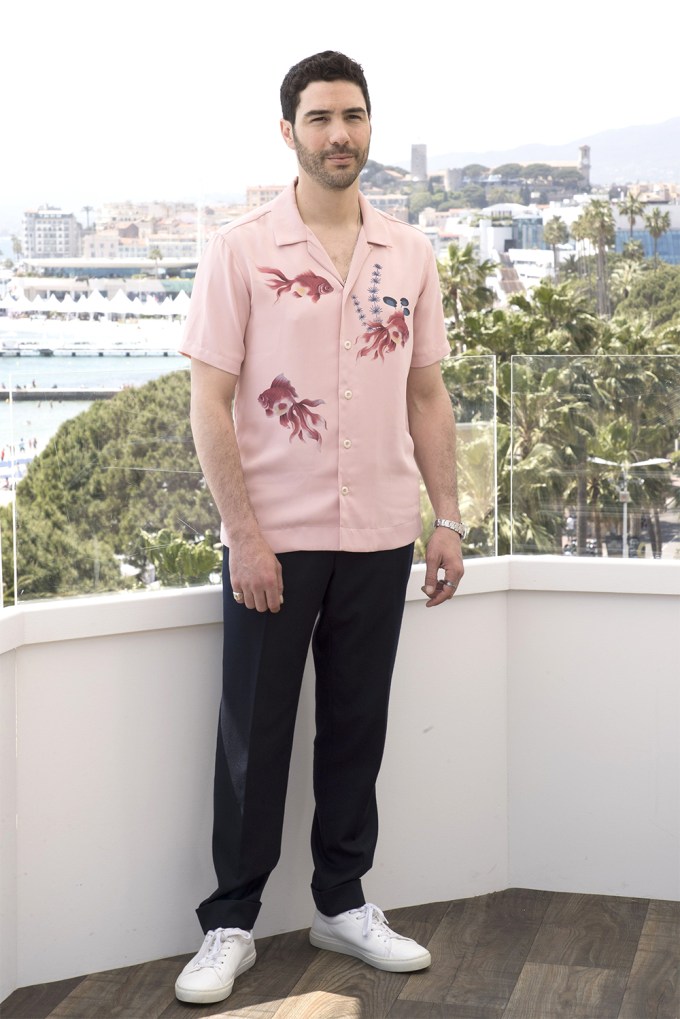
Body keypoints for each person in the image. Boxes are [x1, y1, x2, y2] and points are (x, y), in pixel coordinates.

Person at [175, 50, 466, 1006]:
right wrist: (244, 536)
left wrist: (447, 517)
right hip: (275, 539)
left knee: (355, 728)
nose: (339, 134)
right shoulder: (240, 250)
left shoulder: (410, 253)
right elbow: (209, 405)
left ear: (370, 125)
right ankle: (230, 922)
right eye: (320, 118)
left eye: (353, 116)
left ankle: (342, 902)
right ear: (289, 131)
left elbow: (426, 392)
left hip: (381, 532)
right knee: (251, 738)